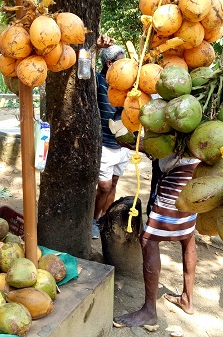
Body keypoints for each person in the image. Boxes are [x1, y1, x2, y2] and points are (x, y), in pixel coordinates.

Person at [113, 153, 200, 327]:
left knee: (148, 239)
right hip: (196, 174)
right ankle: (187, 299)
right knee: (188, 237)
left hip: (178, 176)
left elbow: (169, 141)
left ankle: (149, 312)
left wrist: (136, 143)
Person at [92, 38, 129, 239]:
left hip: (122, 144)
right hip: (105, 144)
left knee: (114, 183)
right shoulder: (99, 80)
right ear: (110, 64)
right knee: (104, 186)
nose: (126, 67)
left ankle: (103, 220)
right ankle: (93, 220)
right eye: (122, 63)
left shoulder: (127, 86)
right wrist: (97, 48)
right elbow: (85, 66)